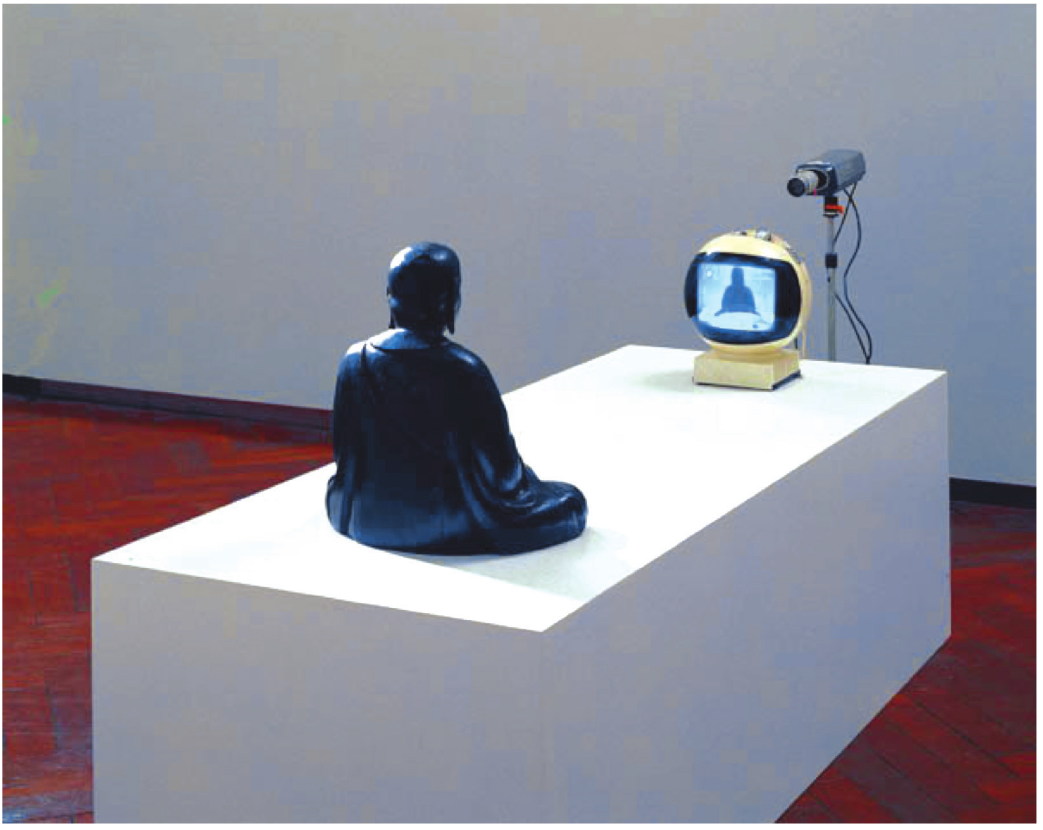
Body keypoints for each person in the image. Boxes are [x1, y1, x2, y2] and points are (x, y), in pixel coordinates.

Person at [326, 242, 587, 555]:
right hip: (449, 521)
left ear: (389, 296)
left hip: (367, 517)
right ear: (450, 300)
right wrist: (524, 481)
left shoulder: (354, 360)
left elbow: (345, 459)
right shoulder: (465, 369)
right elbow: (502, 475)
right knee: (571, 501)